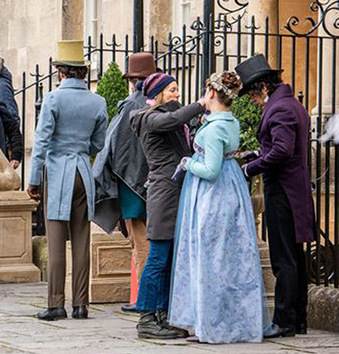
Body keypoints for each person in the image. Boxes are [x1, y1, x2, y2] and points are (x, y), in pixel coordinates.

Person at [168, 71, 267, 343]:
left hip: (213, 195)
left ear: (211, 93)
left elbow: (210, 170)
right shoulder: (231, 122)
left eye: (205, 91)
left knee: (209, 259)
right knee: (229, 259)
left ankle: (211, 325)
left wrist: (188, 163)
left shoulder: (213, 129)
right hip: (232, 187)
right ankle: (230, 320)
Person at [236, 54, 315, 338]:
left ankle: (284, 321)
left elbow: (282, 151)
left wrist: (249, 168)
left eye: (253, 96)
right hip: (293, 189)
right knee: (295, 256)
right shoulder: (292, 104)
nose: (253, 102)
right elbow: (283, 147)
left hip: (283, 191)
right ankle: (299, 320)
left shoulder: (280, 108)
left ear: (263, 88)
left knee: (284, 259)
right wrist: (257, 153)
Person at [28, 40, 107, 321]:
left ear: (61, 72)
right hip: (83, 172)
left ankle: (56, 304)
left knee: (57, 239)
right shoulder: (98, 101)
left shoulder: (53, 98)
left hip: (58, 171)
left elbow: (41, 141)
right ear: (83, 73)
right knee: (82, 240)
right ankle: (81, 305)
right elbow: (98, 142)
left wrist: (34, 178)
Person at [130, 72, 206, 339]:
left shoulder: (164, 118)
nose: (177, 93)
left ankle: (162, 314)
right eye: (172, 90)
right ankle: (147, 318)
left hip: (176, 193)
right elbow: (172, 119)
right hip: (164, 194)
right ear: (158, 93)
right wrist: (201, 104)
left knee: (170, 258)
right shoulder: (147, 117)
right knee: (158, 257)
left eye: (177, 89)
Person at [92, 53, 156, 313]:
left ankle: (145, 299)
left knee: (141, 244)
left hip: (132, 186)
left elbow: (112, 150)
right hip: (158, 184)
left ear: (132, 81)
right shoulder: (162, 104)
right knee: (153, 243)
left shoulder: (130, 107)